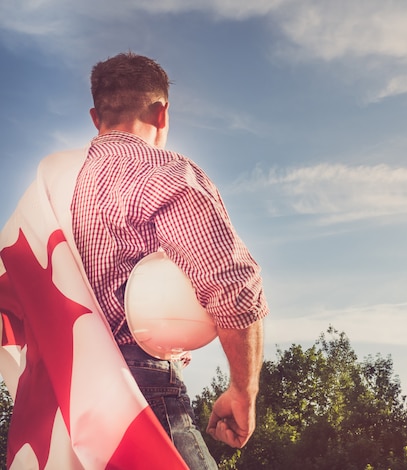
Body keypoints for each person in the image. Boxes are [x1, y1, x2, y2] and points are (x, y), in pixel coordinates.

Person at [70, 52, 269, 469]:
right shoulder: (162, 172)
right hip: (143, 389)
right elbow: (233, 286)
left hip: (71, 393)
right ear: (162, 113)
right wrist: (242, 390)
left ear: (95, 117)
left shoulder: (58, 187)